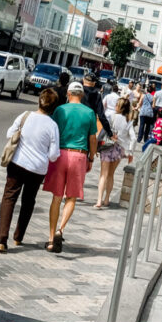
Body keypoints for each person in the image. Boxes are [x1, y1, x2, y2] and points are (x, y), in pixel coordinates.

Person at [0, 87, 61, 251]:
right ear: (53, 107)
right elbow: (54, 155)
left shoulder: (25, 116)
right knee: (28, 201)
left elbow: (9, 134)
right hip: (37, 169)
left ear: (39, 100)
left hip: (17, 163)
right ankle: (18, 237)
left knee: (9, 197)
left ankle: (2, 239)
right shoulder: (53, 126)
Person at [43, 81, 97, 252]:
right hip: (79, 155)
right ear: (81, 95)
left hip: (60, 154)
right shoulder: (89, 112)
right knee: (71, 197)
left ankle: (51, 239)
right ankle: (61, 229)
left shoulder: (60, 110)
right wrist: (91, 157)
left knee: (56, 197)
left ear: (68, 93)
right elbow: (93, 138)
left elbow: (52, 130)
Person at [95, 96, 135, 208]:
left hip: (107, 147)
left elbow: (103, 131)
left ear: (119, 107)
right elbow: (134, 138)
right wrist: (130, 152)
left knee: (103, 174)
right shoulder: (129, 121)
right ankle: (107, 199)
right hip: (119, 149)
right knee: (111, 175)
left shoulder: (111, 117)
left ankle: (99, 200)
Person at [81, 70, 113, 138]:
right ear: (94, 83)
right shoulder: (97, 95)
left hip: (76, 120)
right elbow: (101, 116)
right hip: (90, 123)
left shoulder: (78, 91)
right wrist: (109, 133)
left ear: (83, 80)